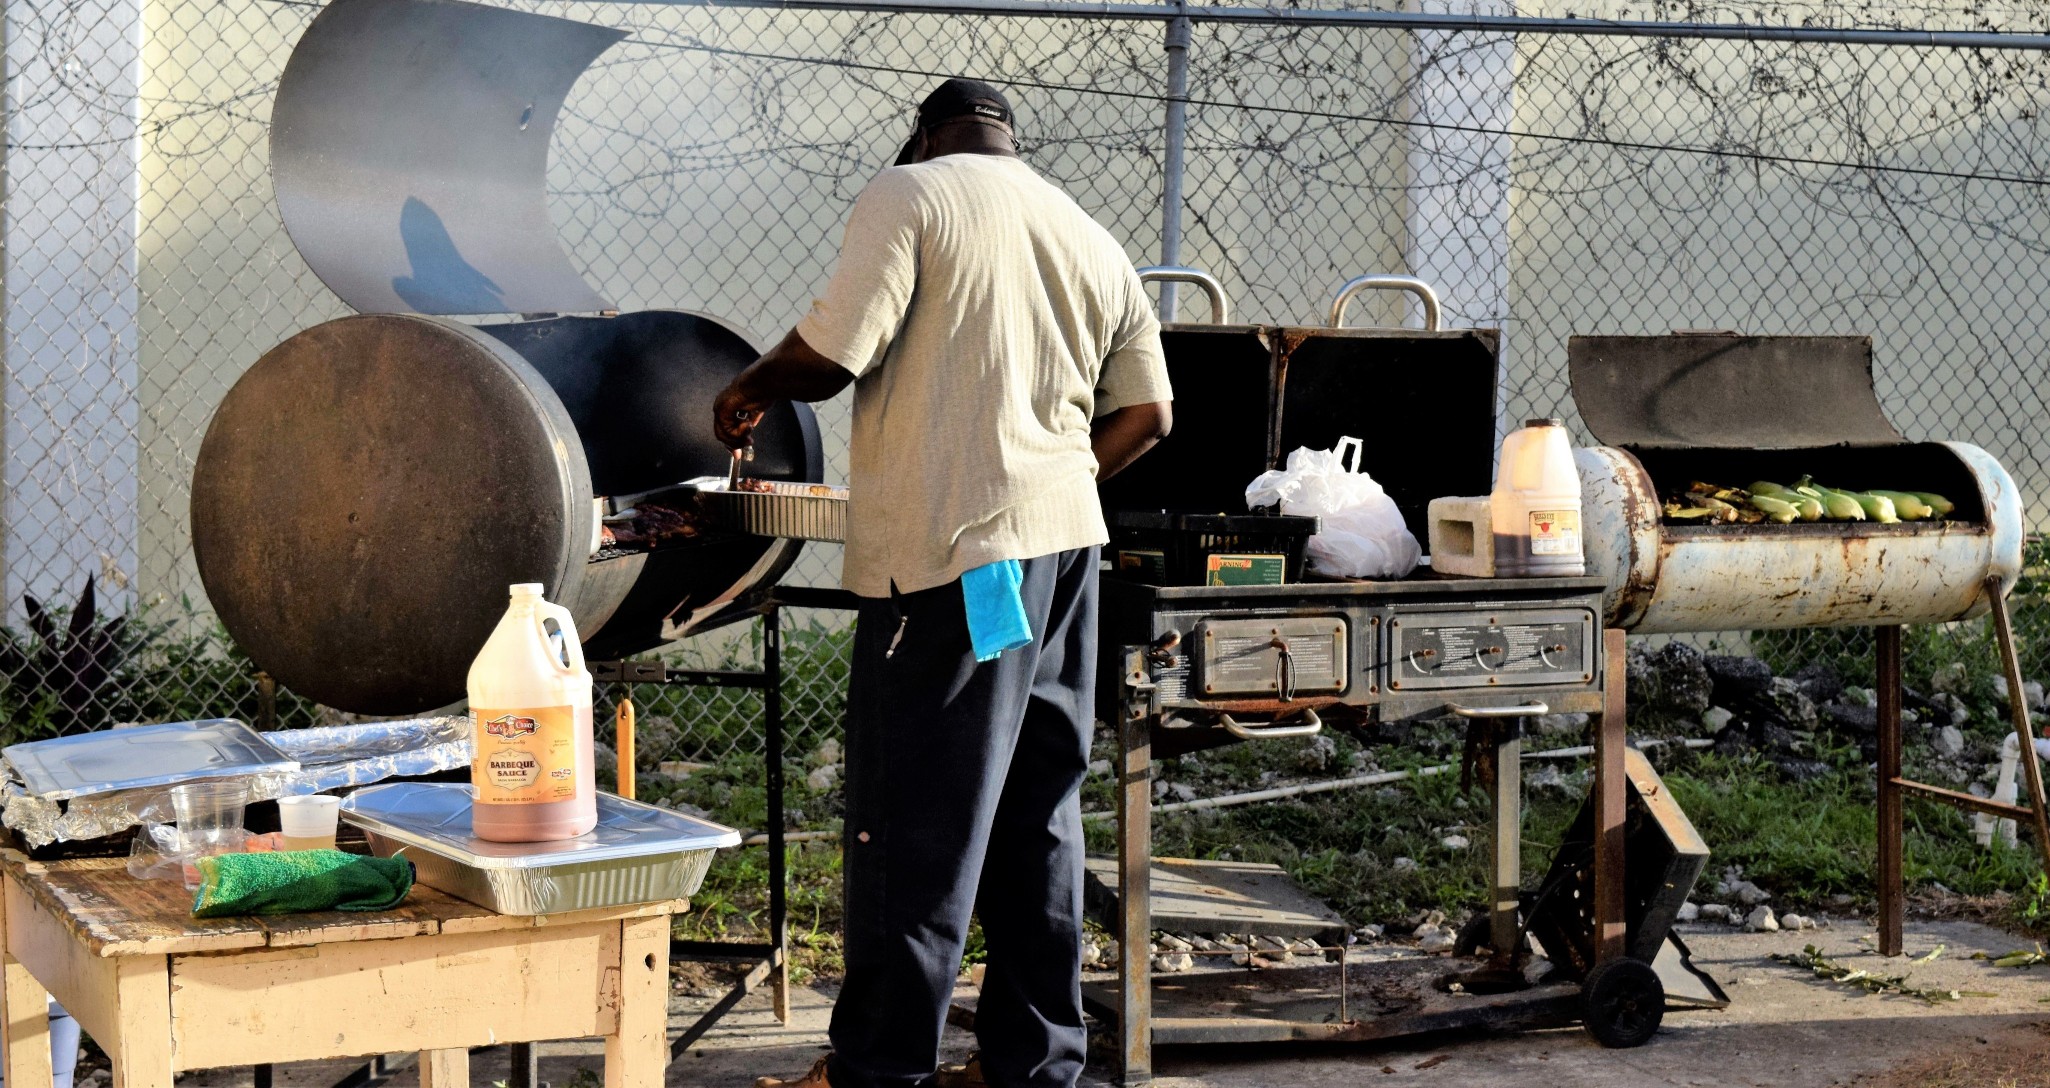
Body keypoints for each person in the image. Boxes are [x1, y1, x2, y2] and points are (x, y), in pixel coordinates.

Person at [714, 78, 1172, 1088]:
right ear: (1010, 140)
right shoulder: (1089, 232)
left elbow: (832, 355)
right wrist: (1048, 480)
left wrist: (748, 386)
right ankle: (1034, 1067)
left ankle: (877, 1071)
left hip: (958, 564)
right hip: (1064, 561)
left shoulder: (909, 192)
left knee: (914, 819)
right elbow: (1150, 415)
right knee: (1035, 812)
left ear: (923, 137)